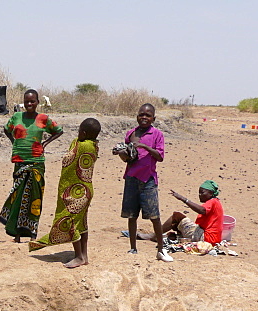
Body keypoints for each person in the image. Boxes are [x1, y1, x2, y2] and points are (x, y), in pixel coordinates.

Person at [28, 117, 101, 267]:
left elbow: (69, 158)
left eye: (80, 131)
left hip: (76, 192)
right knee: (82, 224)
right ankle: (84, 255)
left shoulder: (83, 146)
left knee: (70, 222)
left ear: (85, 133)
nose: (77, 134)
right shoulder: (93, 145)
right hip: (84, 190)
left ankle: (79, 256)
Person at [0, 89, 63, 242]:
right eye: (27, 101)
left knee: (35, 197)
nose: (29, 104)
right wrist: (14, 143)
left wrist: (45, 143)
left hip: (37, 162)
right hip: (20, 162)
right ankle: (17, 234)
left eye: (32, 101)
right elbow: (6, 130)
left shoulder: (43, 118)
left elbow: (58, 131)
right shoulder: (16, 117)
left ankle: (33, 232)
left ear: (37, 102)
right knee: (18, 197)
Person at [115, 103, 172, 262]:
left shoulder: (157, 134)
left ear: (154, 118)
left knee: (154, 216)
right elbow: (127, 157)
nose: (144, 118)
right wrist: (120, 152)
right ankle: (133, 248)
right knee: (131, 215)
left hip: (148, 180)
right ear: (137, 116)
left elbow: (160, 157)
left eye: (148, 115)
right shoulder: (130, 133)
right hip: (131, 178)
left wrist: (144, 146)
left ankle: (161, 249)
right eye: (141, 114)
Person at [140, 180, 224, 247]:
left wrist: (184, 199)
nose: (200, 195)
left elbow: (202, 210)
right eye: (199, 192)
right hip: (213, 239)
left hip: (207, 237)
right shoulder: (215, 203)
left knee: (176, 216)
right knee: (174, 232)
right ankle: (160, 236)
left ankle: (155, 235)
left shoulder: (212, 202)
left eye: (202, 192)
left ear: (211, 193)